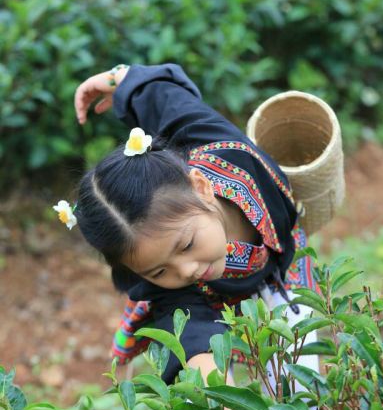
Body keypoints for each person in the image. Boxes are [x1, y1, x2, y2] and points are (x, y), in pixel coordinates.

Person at [68, 63, 318, 387]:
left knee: (301, 380)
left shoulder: (212, 140)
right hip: (214, 299)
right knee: (197, 397)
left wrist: (120, 79)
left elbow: (165, 98)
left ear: (201, 187)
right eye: (157, 271)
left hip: (283, 266)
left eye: (186, 245)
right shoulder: (176, 287)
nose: (184, 270)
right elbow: (195, 342)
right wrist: (224, 407)